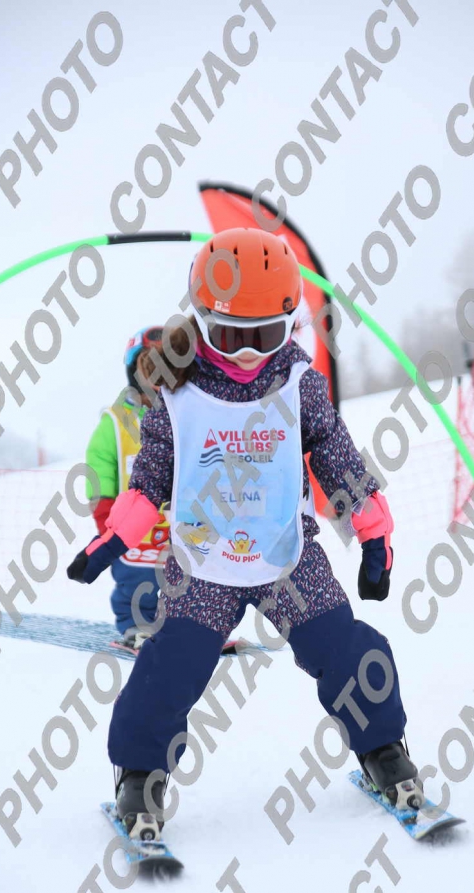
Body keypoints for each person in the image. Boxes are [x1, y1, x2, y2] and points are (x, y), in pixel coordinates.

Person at [68, 228, 420, 840]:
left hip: (286, 554)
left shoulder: (299, 383)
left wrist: (373, 533)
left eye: (267, 336)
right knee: (169, 669)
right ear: (203, 321)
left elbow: (337, 457)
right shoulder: (175, 392)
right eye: (234, 337)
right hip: (203, 563)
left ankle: (383, 750)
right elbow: (148, 481)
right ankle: (139, 777)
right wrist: (113, 540)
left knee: (345, 649)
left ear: (289, 324)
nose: (252, 353)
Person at [83, 327, 168, 649]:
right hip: (132, 523)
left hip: (184, 521)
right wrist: (103, 507)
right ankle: (137, 625)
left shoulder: (190, 411)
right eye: (150, 366)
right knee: (136, 577)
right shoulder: (117, 421)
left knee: (191, 577)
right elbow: (100, 463)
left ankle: (193, 627)